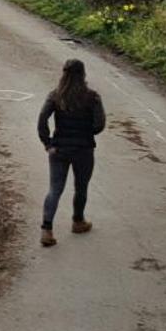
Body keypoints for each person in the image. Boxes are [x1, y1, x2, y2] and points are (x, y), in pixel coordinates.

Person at [37, 57, 105, 247]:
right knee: (81, 187)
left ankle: (47, 229)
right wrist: (85, 132)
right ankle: (78, 221)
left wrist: (48, 143)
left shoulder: (55, 96)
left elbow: (42, 119)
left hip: (59, 149)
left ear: (64, 74)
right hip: (83, 149)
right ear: (83, 74)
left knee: (55, 189)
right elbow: (99, 125)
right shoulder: (92, 97)